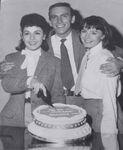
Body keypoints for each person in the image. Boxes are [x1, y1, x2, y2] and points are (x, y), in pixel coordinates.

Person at [0, 13, 65, 127]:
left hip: (43, 117)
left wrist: (58, 118)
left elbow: (57, 94)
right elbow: (7, 84)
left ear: (44, 36)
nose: (32, 38)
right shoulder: (11, 58)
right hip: (12, 119)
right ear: (21, 35)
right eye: (27, 33)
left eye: (37, 33)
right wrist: (30, 81)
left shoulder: (55, 62)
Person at [75, 15, 121, 134]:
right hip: (89, 108)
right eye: (84, 31)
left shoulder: (104, 59)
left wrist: (109, 132)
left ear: (103, 35)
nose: (87, 36)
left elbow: (109, 99)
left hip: (101, 112)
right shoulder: (89, 54)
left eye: (94, 32)